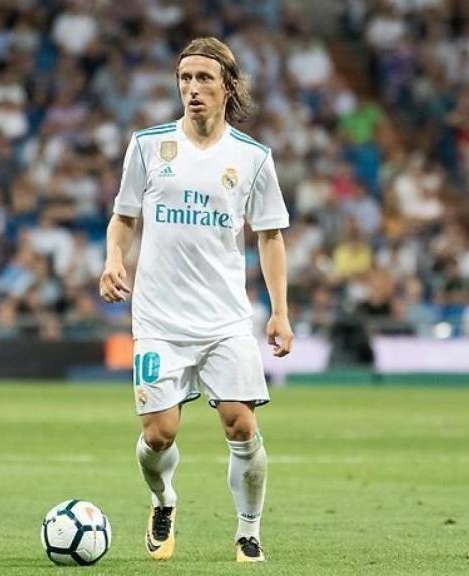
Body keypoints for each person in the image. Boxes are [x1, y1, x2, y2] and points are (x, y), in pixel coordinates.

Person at [99, 37, 293, 563]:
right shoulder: (147, 145)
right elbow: (123, 217)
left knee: (241, 424)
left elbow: (270, 235)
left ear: (228, 86)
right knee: (158, 435)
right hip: (159, 319)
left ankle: (248, 530)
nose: (192, 89)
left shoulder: (252, 158)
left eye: (204, 78)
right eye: (185, 79)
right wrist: (114, 259)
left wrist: (279, 310)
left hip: (225, 318)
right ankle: (163, 501)